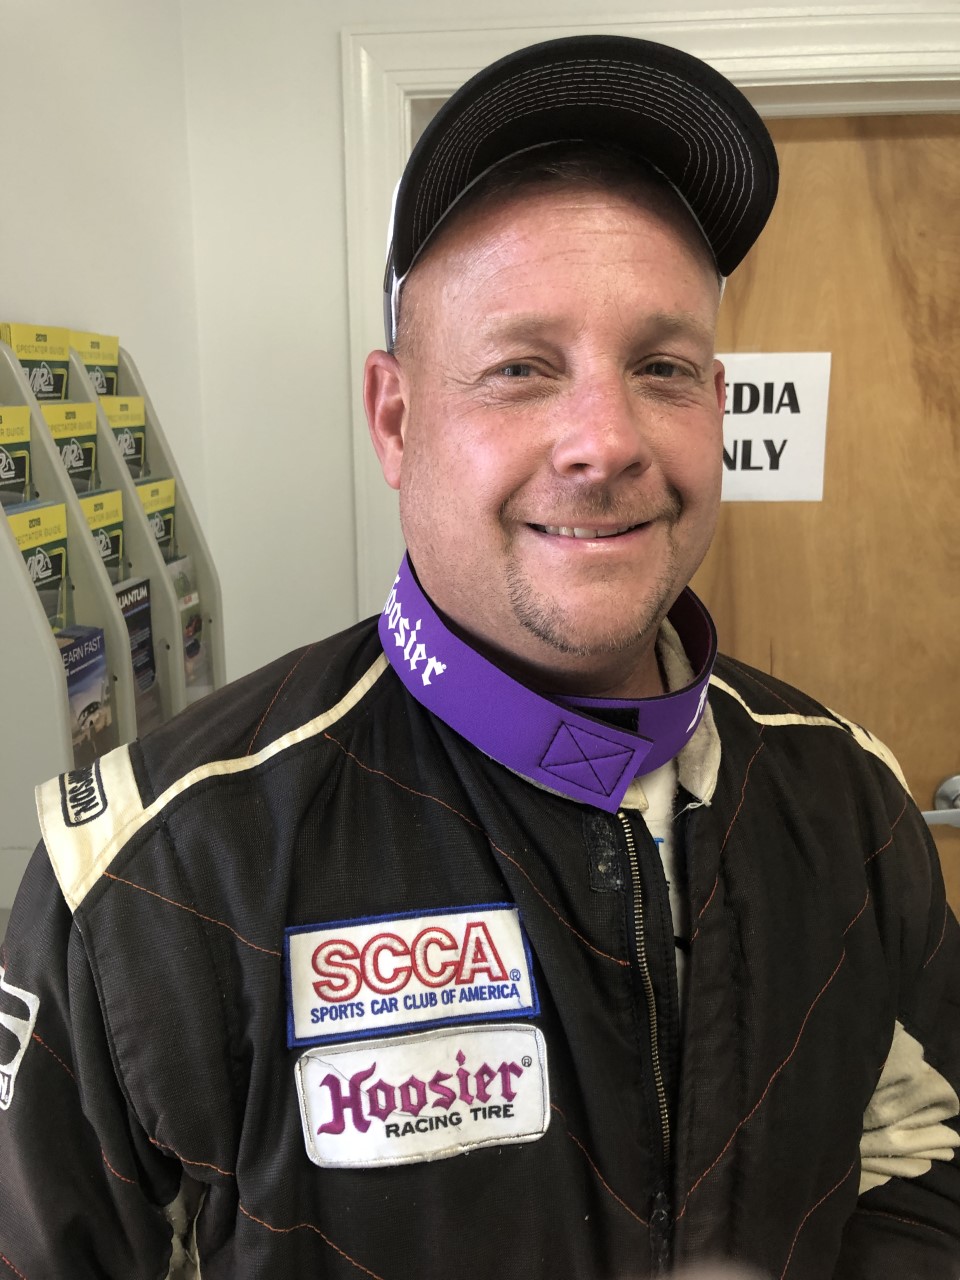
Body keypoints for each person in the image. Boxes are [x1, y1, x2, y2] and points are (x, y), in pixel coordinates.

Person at [0, 33, 957, 1280]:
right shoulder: (152, 870)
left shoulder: (848, 793)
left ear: (715, 404)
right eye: (521, 368)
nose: (606, 440)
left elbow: (922, 1156)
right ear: (397, 418)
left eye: (661, 367)